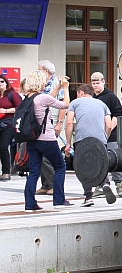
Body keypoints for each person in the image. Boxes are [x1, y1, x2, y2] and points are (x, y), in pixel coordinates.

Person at [20, 70, 71, 210]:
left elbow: (49, 98)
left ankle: (30, 203)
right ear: (39, 82)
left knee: (34, 171)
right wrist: (66, 88)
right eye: (44, 81)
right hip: (46, 139)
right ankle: (59, 199)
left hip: (32, 139)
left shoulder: (28, 98)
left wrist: (58, 86)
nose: (46, 83)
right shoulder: (42, 98)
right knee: (60, 167)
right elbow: (65, 104)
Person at [65, 84, 115, 206]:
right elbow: (108, 125)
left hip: (82, 138)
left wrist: (68, 143)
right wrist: (105, 137)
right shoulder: (102, 104)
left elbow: (70, 122)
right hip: (100, 138)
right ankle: (105, 184)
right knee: (101, 162)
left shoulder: (75, 103)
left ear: (81, 93)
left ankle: (88, 197)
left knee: (84, 166)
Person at [90, 72, 122, 196]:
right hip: (97, 134)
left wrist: (108, 130)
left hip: (112, 135)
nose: (95, 86)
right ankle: (102, 185)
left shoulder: (110, 97)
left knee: (114, 159)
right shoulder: (92, 98)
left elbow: (117, 114)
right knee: (99, 160)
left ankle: (119, 185)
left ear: (103, 82)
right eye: (93, 83)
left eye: (97, 83)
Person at [36, 60, 66, 195]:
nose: (38, 71)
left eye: (39, 69)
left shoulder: (55, 83)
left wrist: (59, 122)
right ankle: (46, 184)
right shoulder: (43, 84)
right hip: (42, 124)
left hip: (52, 122)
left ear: (46, 71)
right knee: (41, 155)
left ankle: (53, 184)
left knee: (49, 155)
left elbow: (62, 104)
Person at [0, 75, 21, 180]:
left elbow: (20, 108)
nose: (0, 84)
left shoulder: (12, 95)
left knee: (3, 146)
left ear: (6, 83)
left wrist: (5, 110)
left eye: (2, 82)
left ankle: (6, 172)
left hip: (9, 124)